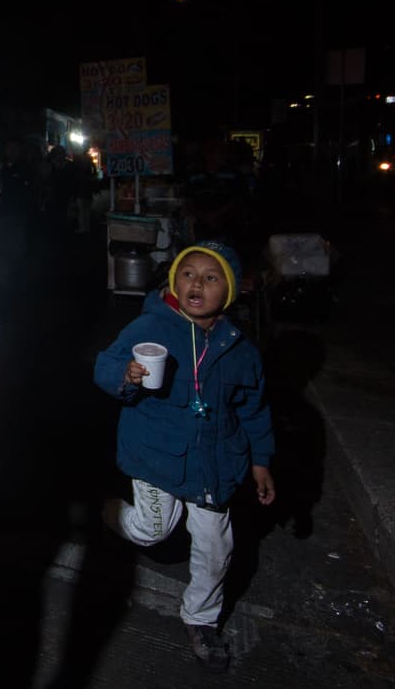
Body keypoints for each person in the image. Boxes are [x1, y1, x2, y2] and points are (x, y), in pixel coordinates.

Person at [93, 241, 275, 673]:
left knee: (216, 546)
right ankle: (114, 514)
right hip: (156, 457)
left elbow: (254, 409)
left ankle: (202, 619)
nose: (197, 283)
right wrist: (126, 374)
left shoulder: (240, 349)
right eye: (188, 273)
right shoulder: (150, 327)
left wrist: (261, 461)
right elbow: (106, 364)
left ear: (228, 293)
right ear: (174, 281)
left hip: (215, 464)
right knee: (154, 529)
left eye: (211, 278)